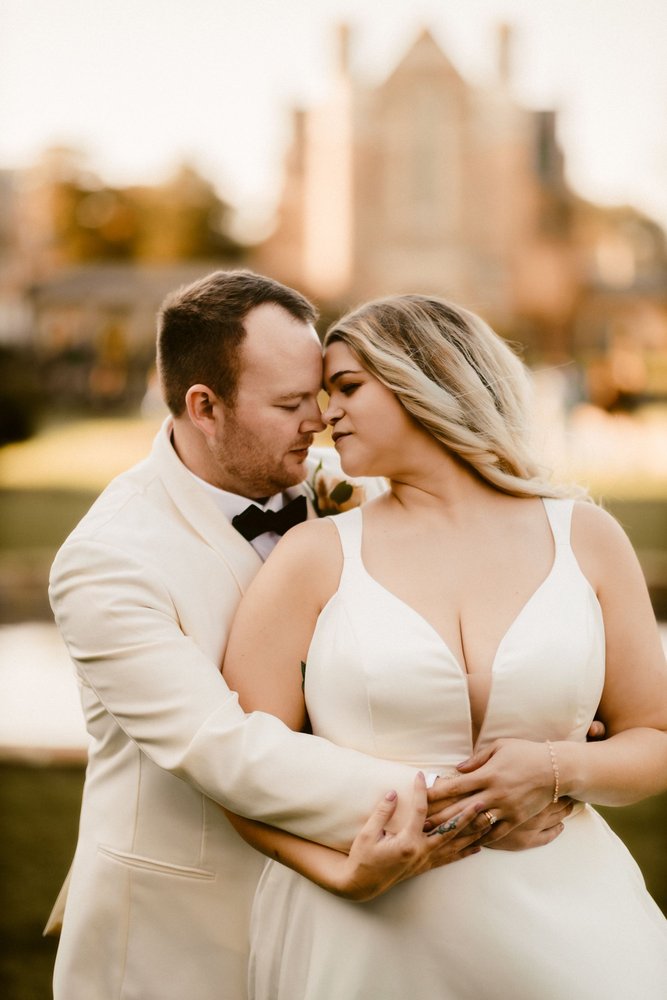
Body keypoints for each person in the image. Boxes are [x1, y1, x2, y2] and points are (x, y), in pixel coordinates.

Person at [48, 271, 558, 1000]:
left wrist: (543, 716)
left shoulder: (351, 489)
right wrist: (474, 802)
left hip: (353, 928)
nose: (318, 420)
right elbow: (225, 748)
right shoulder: (108, 561)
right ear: (205, 407)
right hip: (178, 933)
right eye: (290, 404)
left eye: (318, 393)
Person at [223, 293, 667, 999]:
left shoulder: (585, 537)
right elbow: (239, 772)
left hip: (569, 927)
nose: (327, 415)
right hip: (367, 937)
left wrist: (555, 768)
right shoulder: (313, 556)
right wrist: (340, 871)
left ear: (426, 376)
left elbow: (655, 738)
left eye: (347, 387)